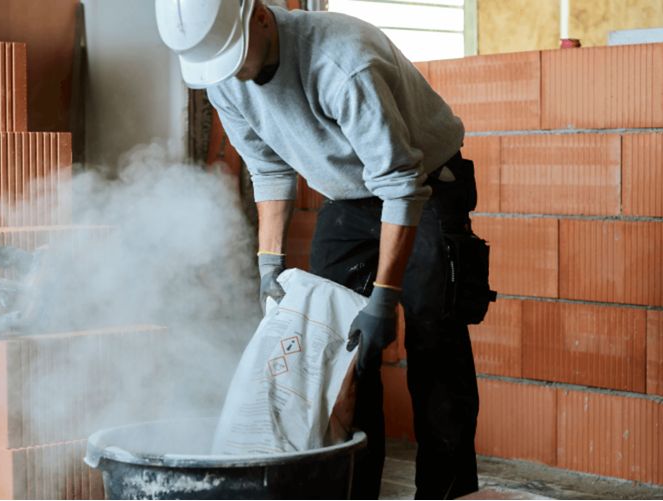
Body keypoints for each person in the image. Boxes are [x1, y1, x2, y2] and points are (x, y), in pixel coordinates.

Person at [156, 1, 492, 498]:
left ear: (262, 18)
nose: (234, 77)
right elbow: (268, 170)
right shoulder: (223, 75)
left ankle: (447, 493)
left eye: (235, 60)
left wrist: (383, 297)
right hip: (348, 195)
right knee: (337, 352)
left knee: (433, 342)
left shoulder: (342, 62)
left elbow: (400, 185)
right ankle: (354, 492)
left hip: (424, 183)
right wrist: (269, 264)